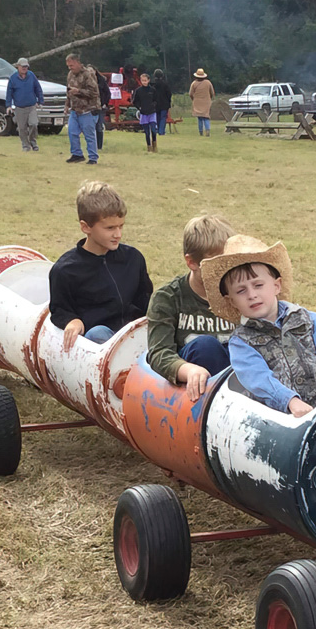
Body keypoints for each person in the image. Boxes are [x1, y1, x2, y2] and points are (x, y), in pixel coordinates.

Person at [200, 235, 316, 418]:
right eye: (241, 290)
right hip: (278, 422)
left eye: (258, 285)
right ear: (231, 301)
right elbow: (258, 379)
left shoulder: (311, 321)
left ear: (276, 286)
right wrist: (290, 401)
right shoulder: (240, 343)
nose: (252, 295)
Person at [49, 181, 153, 350]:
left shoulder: (133, 259)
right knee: (98, 333)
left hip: (134, 337)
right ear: (85, 227)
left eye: (121, 226)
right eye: (110, 228)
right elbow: (60, 309)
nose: (118, 234)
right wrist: (71, 320)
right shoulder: (65, 270)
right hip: (95, 346)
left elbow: (145, 301)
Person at [146, 215, 237, 401]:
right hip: (193, 386)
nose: (223, 270)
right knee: (205, 346)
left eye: (227, 262)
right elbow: (158, 352)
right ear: (191, 262)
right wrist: (188, 370)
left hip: (237, 375)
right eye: (214, 263)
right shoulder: (168, 298)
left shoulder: (240, 292)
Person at [63, 53, 100, 164]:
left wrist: (79, 91)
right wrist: (67, 104)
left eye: (72, 65)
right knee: (72, 132)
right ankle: (77, 154)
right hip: (75, 110)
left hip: (88, 110)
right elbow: (68, 91)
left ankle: (93, 157)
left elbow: (94, 93)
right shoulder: (70, 75)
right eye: (68, 66)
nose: (70, 68)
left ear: (78, 63)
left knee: (89, 135)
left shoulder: (88, 75)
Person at [5, 58, 43, 152]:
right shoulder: (13, 78)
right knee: (22, 129)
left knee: (33, 124)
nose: (24, 68)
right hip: (19, 107)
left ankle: (33, 142)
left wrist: (40, 101)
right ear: (18, 66)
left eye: (26, 66)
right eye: (23, 66)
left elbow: (38, 88)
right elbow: (9, 93)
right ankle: (25, 146)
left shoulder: (31, 75)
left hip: (31, 106)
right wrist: (8, 106)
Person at [131, 72, 159, 152]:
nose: (144, 82)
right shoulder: (138, 91)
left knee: (153, 130)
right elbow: (135, 101)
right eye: (142, 80)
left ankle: (155, 145)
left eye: (145, 80)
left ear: (148, 80)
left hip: (152, 112)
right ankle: (149, 147)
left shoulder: (153, 90)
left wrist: (154, 105)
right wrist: (139, 107)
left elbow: (156, 100)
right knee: (147, 132)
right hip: (143, 113)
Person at [190, 68, 215, 137]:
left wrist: (194, 99)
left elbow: (191, 94)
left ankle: (201, 132)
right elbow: (212, 93)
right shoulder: (208, 83)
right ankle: (207, 130)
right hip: (207, 102)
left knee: (200, 118)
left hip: (197, 102)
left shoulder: (194, 84)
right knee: (206, 117)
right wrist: (209, 99)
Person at [152, 69, 173, 136]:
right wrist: (168, 100)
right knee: (163, 117)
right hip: (164, 104)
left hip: (156, 104)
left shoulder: (153, 85)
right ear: (162, 76)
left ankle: (158, 130)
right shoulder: (165, 85)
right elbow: (169, 94)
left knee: (157, 117)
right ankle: (161, 131)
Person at [93, 67, 109, 150]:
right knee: (91, 127)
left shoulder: (101, 81)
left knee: (99, 126)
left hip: (100, 107)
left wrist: (105, 103)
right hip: (91, 107)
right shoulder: (86, 82)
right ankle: (92, 145)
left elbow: (107, 93)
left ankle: (99, 146)